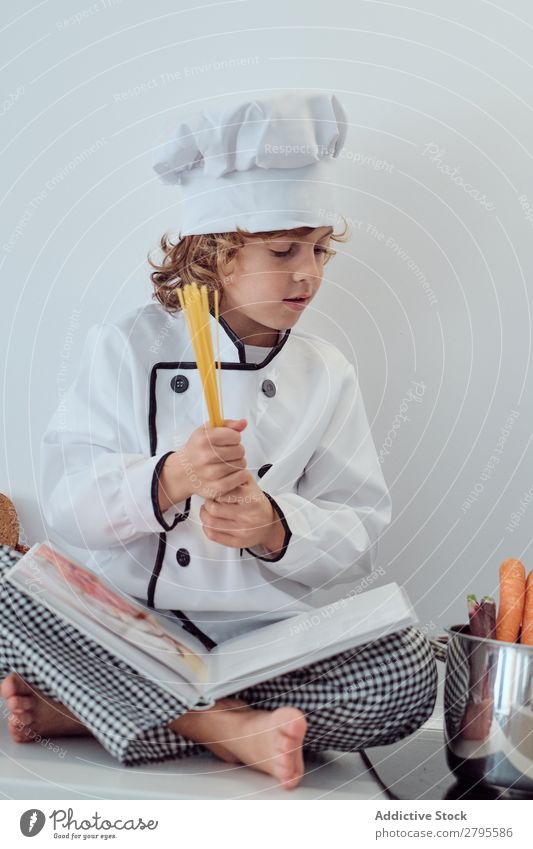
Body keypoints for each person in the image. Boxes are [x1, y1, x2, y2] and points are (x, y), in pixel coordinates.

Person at [0, 92, 438, 791]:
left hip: (259, 644)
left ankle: (98, 707)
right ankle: (221, 726)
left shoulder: (325, 373)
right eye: (283, 250)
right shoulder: (126, 346)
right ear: (215, 253)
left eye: (319, 248)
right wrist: (168, 478)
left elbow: (359, 526)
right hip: (124, 626)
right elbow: (68, 500)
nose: (309, 272)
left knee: (408, 673)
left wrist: (273, 525)